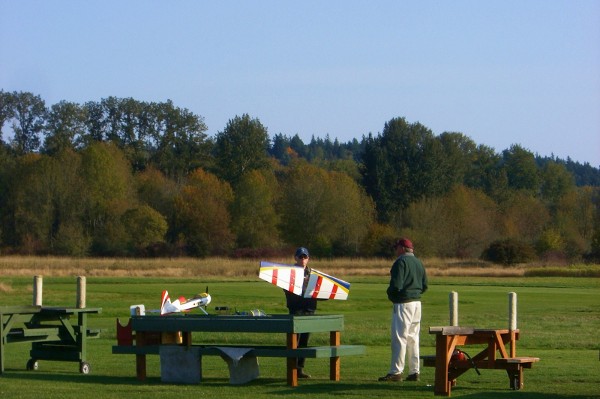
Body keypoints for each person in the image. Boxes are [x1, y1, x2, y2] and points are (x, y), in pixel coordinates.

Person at [379, 238, 428, 382]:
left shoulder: (400, 262)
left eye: (397, 248)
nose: (395, 250)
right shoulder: (419, 262)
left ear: (401, 248)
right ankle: (414, 371)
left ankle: (396, 371)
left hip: (403, 303)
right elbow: (425, 285)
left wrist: (391, 295)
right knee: (413, 338)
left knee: (400, 337)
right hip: (417, 303)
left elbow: (396, 285)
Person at [284, 246, 317, 379]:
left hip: (309, 310)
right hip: (295, 311)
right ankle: (292, 369)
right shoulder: (289, 274)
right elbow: (287, 290)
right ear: (295, 258)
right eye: (300, 257)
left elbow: (319, 292)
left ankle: (299, 369)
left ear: (308, 259)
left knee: (304, 342)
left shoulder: (313, 274)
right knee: (293, 342)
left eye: (305, 257)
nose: (302, 259)